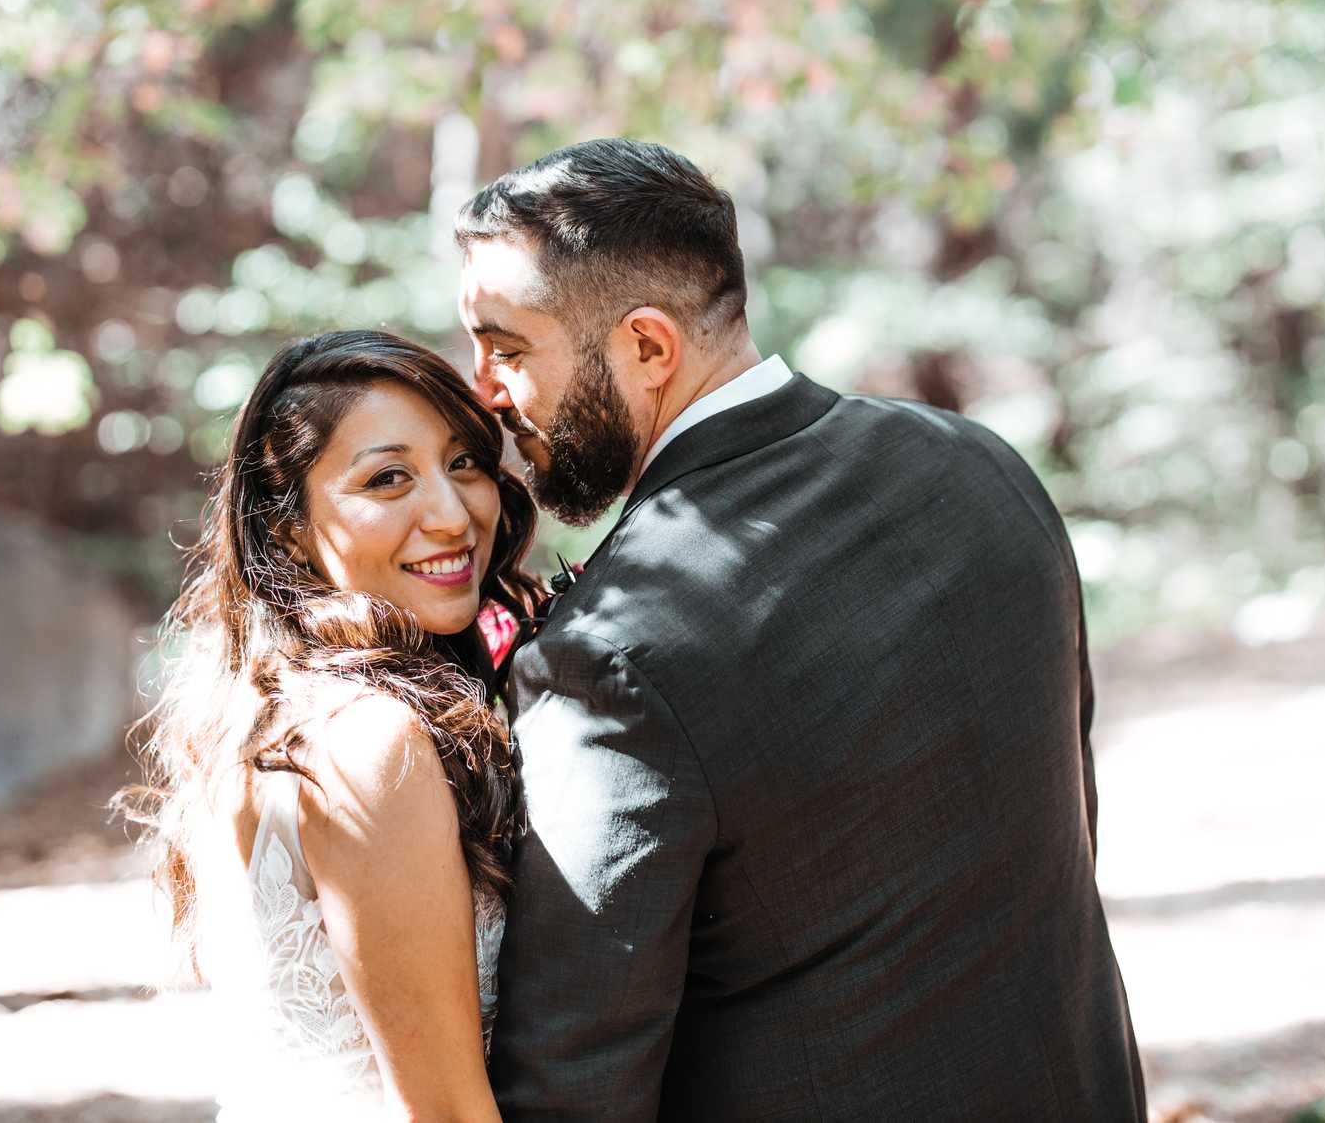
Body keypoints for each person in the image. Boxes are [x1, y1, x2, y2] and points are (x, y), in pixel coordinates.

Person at [457, 138, 1147, 1120]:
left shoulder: (610, 648)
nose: (482, 388)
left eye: (508, 346)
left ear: (647, 348)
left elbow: (577, 1076)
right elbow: (1059, 831)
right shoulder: (980, 469)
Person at [125, 330, 542, 1121]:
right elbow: (444, 1111)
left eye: (464, 463)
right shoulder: (366, 741)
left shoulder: (259, 705)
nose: (452, 514)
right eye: (388, 479)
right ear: (287, 527)